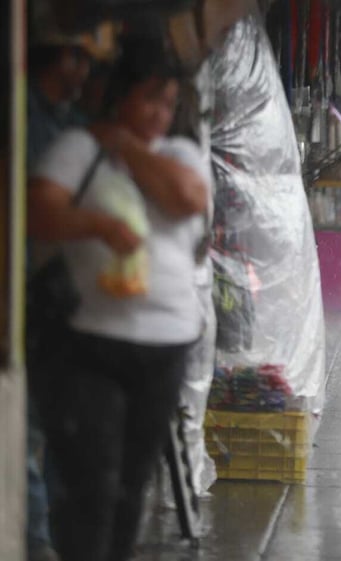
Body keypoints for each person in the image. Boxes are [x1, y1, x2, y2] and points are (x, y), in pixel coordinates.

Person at [26, 37, 210, 561]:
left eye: (168, 103)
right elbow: (38, 213)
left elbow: (188, 199)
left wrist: (126, 146)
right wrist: (100, 226)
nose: (159, 113)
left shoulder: (178, 153)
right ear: (121, 94)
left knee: (131, 483)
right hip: (90, 343)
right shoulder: (78, 148)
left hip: (166, 346)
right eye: (149, 98)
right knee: (92, 483)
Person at [25, 28, 94, 561]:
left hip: (66, 287)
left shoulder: (72, 126)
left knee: (61, 418)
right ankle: (38, 537)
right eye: (80, 58)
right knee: (31, 418)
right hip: (28, 284)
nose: (87, 72)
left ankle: (51, 529)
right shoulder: (23, 116)